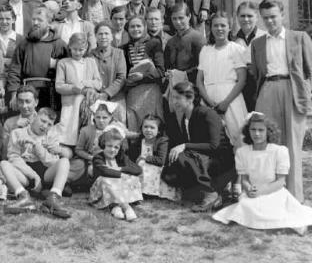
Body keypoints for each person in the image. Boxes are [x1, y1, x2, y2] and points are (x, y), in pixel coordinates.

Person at [250, 0, 312, 203]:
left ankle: (295, 201)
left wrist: (306, 94)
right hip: (267, 90)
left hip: (292, 91)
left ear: (282, 15)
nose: (270, 21)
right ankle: (270, 199)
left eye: (273, 16)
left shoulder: (299, 38)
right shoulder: (257, 44)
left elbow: (309, 71)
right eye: (265, 18)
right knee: (267, 145)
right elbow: (257, 74)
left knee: (292, 147)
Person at [213, 112, 312, 235]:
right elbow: (244, 179)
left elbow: (281, 182)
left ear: (268, 132)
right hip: (252, 192)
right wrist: (249, 189)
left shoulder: (279, 151)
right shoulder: (243, 152)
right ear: (248, 131)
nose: (257, 133)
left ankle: (285, 223)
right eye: (253, 129)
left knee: (272, 210)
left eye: (261, 130)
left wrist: (262, 190)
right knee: (247, 207)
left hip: (274, 191)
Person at [162, 81, 235, 212]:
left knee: (184, 156)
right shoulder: (185, 117)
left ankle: (210, 193)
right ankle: (218, 190)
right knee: (169, 172)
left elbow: (215, 146)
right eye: (172, 98)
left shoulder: (207, 113)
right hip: (201, 160)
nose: (174, 101)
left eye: (178, 98)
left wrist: (185, 145)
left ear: (190, 98)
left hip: (222, 162)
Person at [0, 108, 73, 218]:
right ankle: (23, 197)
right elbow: (13, 158)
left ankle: (53, 198)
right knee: (4, 164)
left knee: (64, 161)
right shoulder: (17, 133)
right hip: (25, 174)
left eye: (49, 124)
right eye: (43, 121)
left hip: (45, 173)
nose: (45, 126)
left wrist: (37, 146)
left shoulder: (51, 136)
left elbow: (52, 162)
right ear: (34, 117)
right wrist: (33, 175)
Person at [196, 12, 248, 148]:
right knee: (213, 139)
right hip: (209, 98)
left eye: (223, 25)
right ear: (210, 28)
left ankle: (241, 168)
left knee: (238, 136)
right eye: (215, 25)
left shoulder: (236, 49)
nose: (219, 29)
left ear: (230, 28)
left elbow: (242, 79)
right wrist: (208, 101)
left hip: (231, 98)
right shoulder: (205, 50)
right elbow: (199, 81)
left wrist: (226, 102)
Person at [7, 6, 68, 110]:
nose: (35, 23)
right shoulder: (23, 44)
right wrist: (14, 95)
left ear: (49, 24)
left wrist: (56, 63)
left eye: (39, 20)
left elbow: (69, 68)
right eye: (33, 19)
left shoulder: (59, 44)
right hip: (27, 93)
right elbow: (14, 70)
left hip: (51, 93)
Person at [55, 33, 102, 146]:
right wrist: (74, 88)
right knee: (69, 135)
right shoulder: (63, 63)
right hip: (70, 104)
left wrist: (85, 83)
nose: (78, 52)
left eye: (81, 50)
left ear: (86, 49)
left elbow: (98, 83)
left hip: (88, 104)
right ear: (70, 47)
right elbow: (59, 86)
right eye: (75, 49)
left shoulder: (90, 62)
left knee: (86, 131)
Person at [89, 127, 142, 221]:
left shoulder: (121, 157)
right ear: (103, 144)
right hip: (101, 191)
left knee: (133, 178)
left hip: (117, 190)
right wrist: (121, 174)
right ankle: (126, 207)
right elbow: (105, 172)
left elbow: (138, 169)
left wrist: (122, 168)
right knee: (105, 180)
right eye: (109, 146)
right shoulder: (98, 158)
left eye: (116, 147)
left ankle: (115, 207)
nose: (112, 150)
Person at [123, 15, 164, 132]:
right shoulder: (124, 48)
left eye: (138, 26)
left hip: (151, 91)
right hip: (133, 93)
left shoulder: (154, 43)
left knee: (151, 126)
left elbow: (160, 71)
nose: (135, 29)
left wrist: (142, 77)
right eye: (132, 27)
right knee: (134, 125)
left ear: (145, 27)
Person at [73, 100, 128, 181]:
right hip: (95, 161)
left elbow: (122, 147)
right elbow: (78, 150)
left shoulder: (115, 130)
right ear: (94, 116)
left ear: (110, 117)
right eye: (98, 117)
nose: (101, 120)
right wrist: (90, 157)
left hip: (112, 159)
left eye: (104, 117)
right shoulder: (86, 131)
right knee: (93, 171)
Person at [128, 115, 179, 201]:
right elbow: (132, 154)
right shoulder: (141, 140)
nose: (148, 130)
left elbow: (161, 160)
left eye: (152, 128)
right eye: (146, 127)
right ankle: (140, 191)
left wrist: (145, 158)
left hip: (157, 166)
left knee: (144, 167)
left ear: (158, 131)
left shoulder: (162, 141)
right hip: (142, 165)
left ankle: (151, 193)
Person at [89, 21, 127, 122]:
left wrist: (107, 93)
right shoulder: (90, 55)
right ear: (96, 36)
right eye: (100, 34)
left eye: (106, 33)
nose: (103, 36)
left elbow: (121, 77)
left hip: (115, 97)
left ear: (112, 36)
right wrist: (96, 94)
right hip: (95, 97)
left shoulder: (119, 54)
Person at [233, 1, 266, 111]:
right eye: (242, 16)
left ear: (257, 17)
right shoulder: (232, 40)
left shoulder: (265, 37)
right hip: (239, 91)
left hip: (261, 90)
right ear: (237, 17)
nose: (246, 19)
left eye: (250, 16)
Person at [164, 2, 206, 85]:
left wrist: (182, 74)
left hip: (192, 87)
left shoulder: (198, 38)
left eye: (181, 18)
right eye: (174, 19)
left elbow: (204, 67)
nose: (178, 22)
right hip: (174, 88)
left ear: (189, 16)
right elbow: (166, 67)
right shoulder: (170, 42)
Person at [0, 5, 25, 74]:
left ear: (13, 19)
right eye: (1, 19)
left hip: (16, 78)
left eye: (8, 19)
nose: (4, 22)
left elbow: (23, 62)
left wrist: (0, 60)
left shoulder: (21, 40)